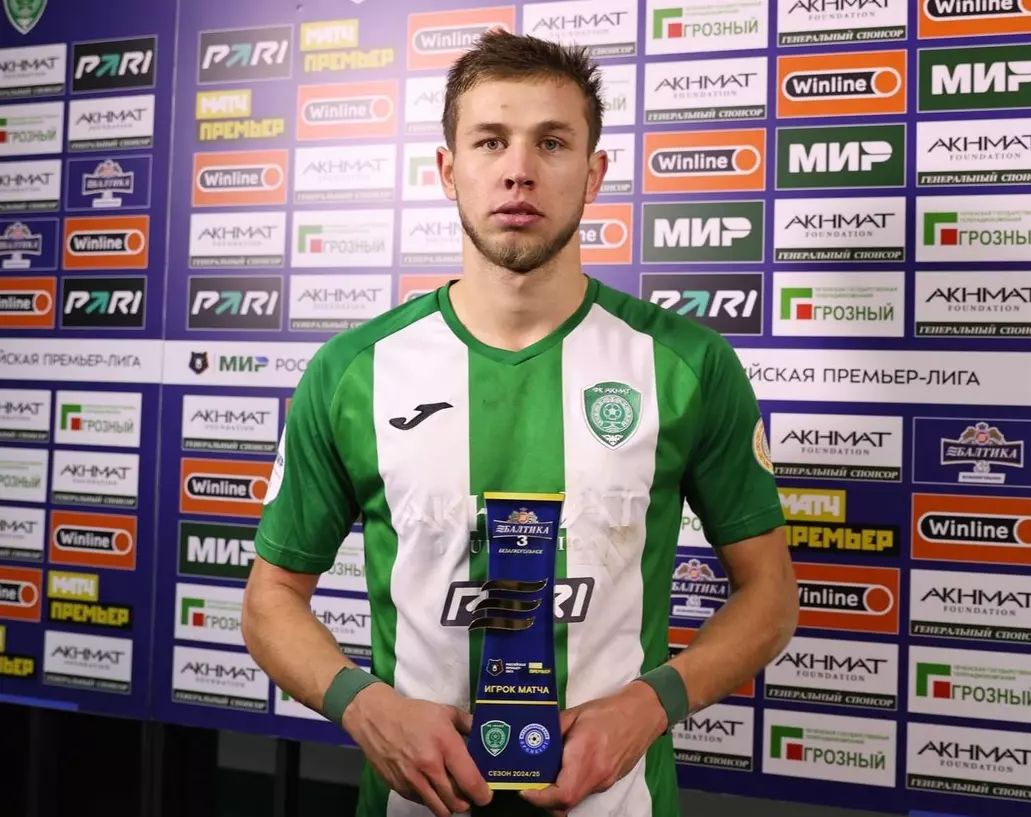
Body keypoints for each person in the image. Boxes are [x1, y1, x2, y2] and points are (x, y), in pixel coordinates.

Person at [242, 29, 799, 817]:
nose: (519, 169)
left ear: (594, 173)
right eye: (490, 140)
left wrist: (649, 706)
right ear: (448, 170)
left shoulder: (686, 364)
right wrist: (363, 706)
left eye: (553, 142)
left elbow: (770, 593)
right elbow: (269, 598)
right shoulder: (352, 372)